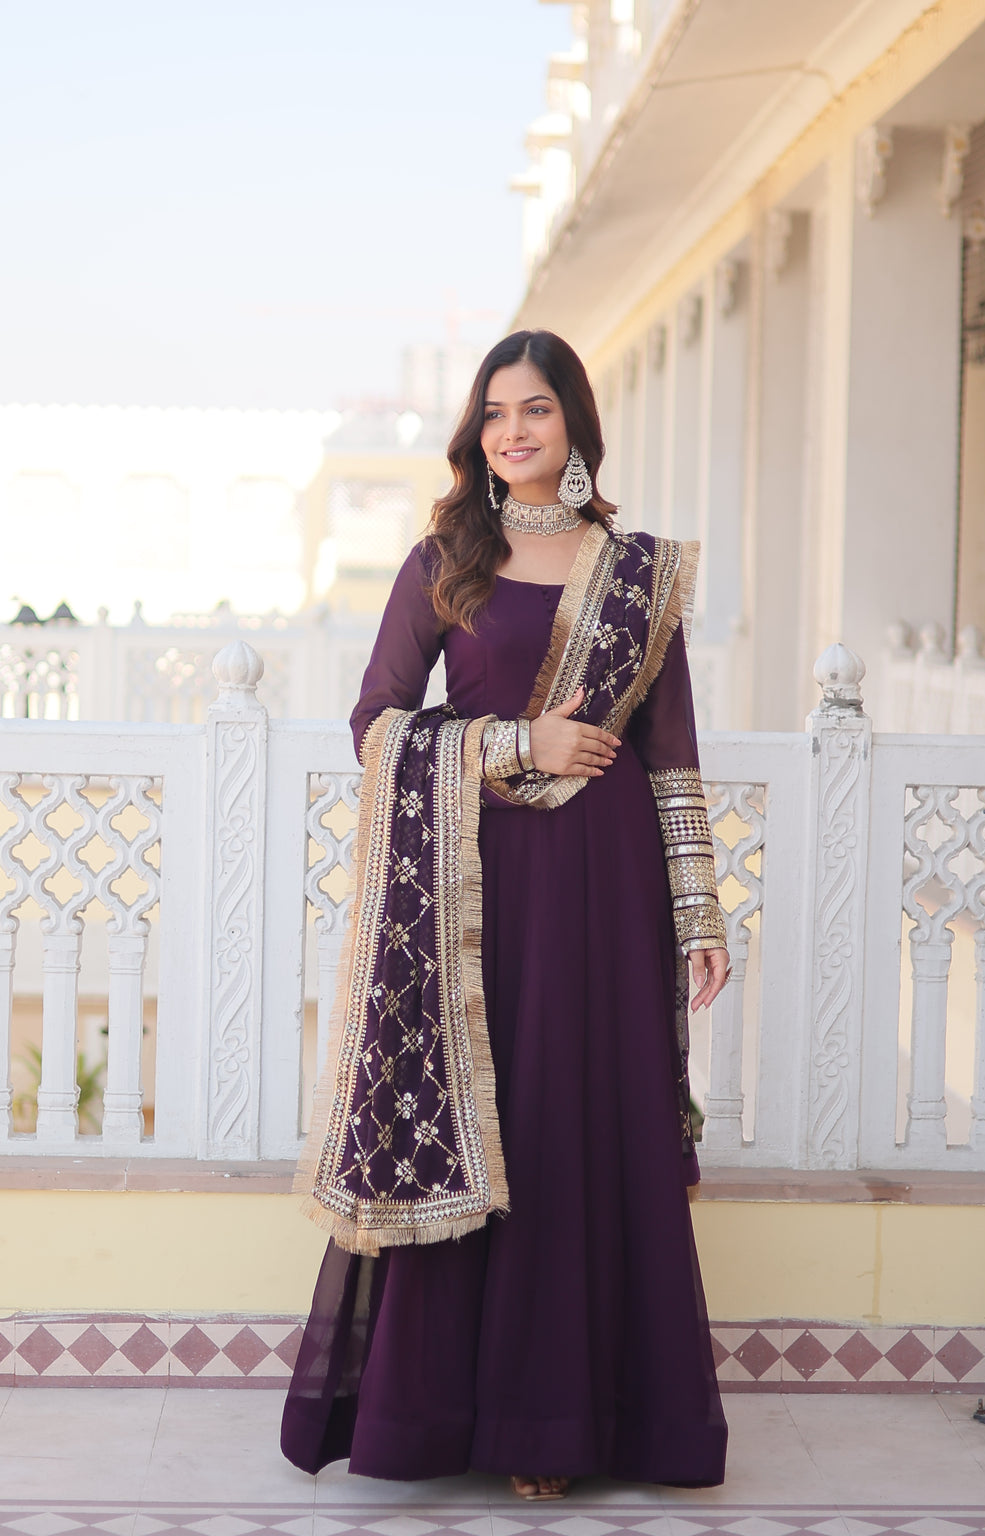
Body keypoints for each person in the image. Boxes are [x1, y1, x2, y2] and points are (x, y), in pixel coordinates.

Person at [281, 329, 730, 1497]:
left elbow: (671, 753)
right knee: (501, 1122)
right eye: (493, 413)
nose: (512, 431)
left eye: (534, 409)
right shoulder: (448, 560)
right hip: (478, 896)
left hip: (611, 885)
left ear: (573, 420)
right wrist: (514, 743)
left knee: (586, 1123)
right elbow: (377, 725)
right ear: (474, 434)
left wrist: (699, 911)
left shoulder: (638, 573)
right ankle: (450, 1420)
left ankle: (563, 1427)